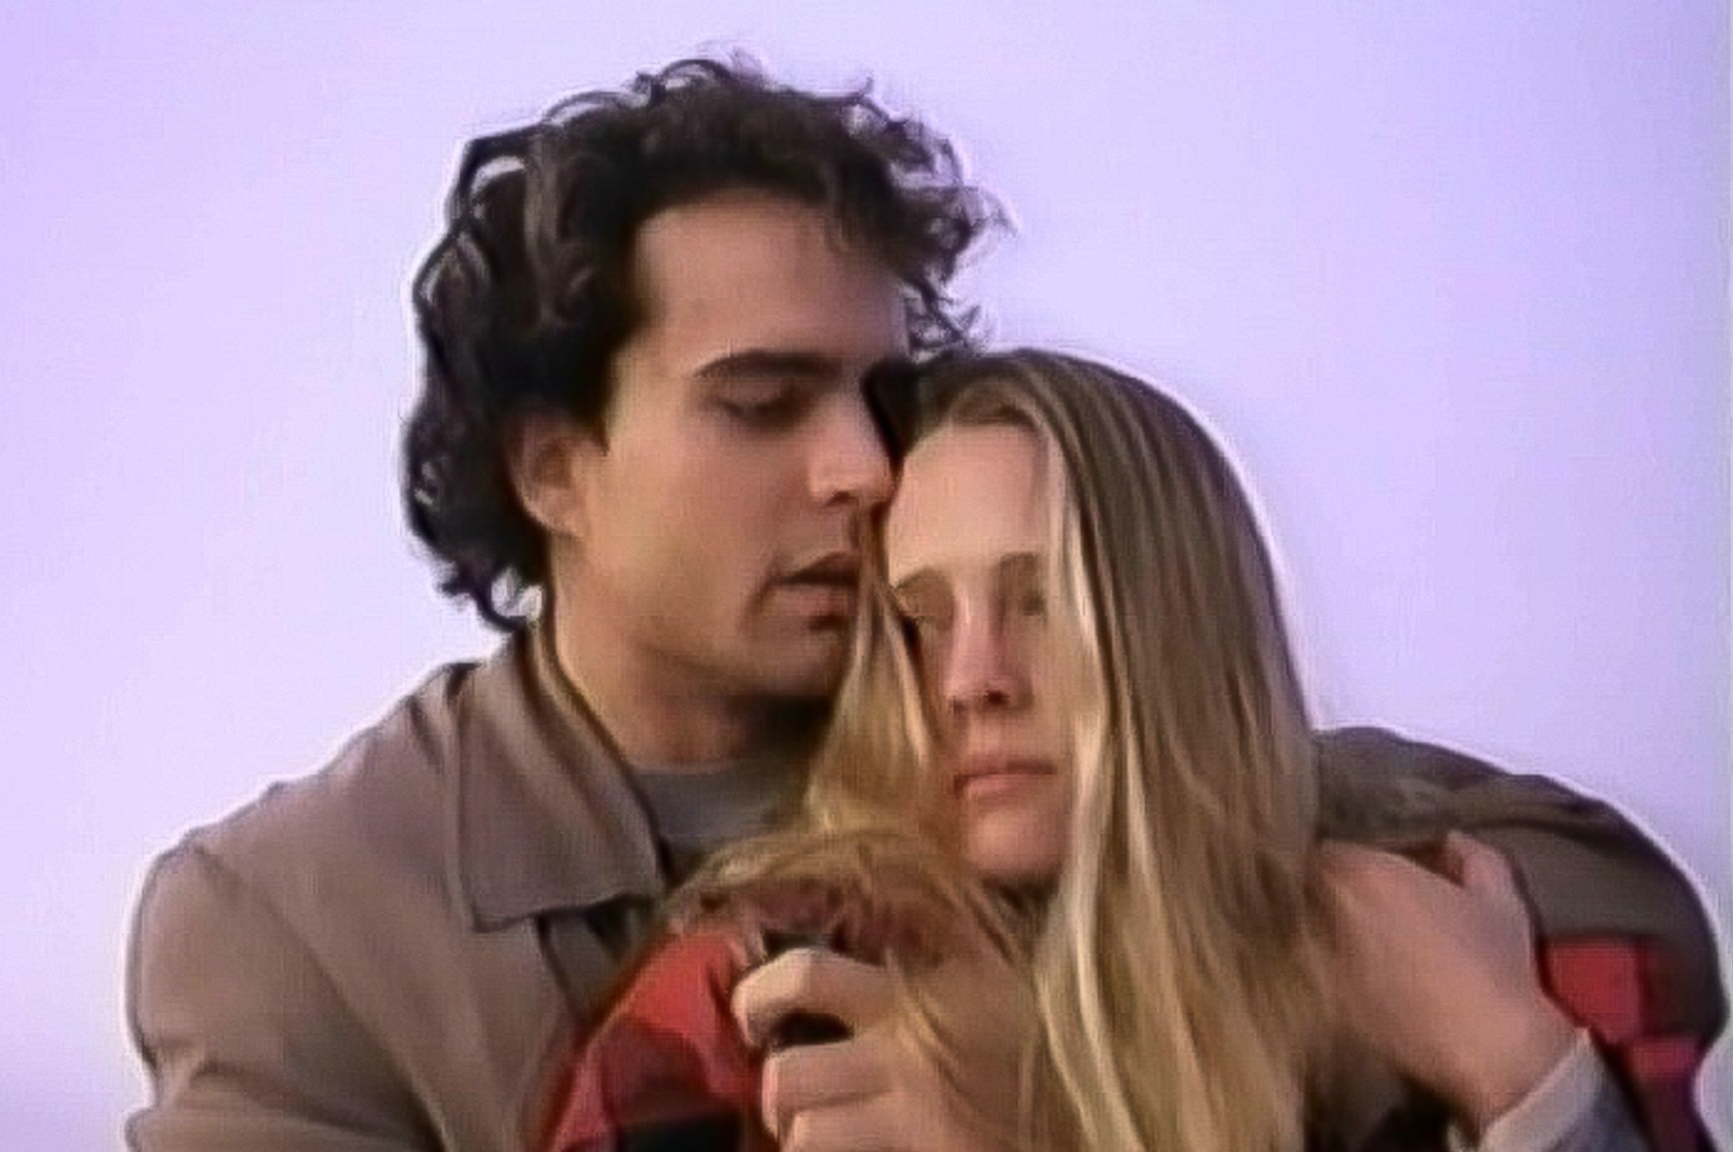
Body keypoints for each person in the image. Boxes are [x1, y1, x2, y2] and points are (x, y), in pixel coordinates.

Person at [123, 59, 1723, 1152]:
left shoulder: (1006, 733)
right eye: (764, 404)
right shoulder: (290, 927)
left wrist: (1116, 1052)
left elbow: (1593, 889)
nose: (862, 468)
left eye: (881, 399)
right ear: (554, 468)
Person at [539, 350, 1721, 1152]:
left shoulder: (1464, 940)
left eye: (1040, 599)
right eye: (920, 619)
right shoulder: (767, 997)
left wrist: (1517, 1071)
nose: (971, 678)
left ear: (1183, 628)